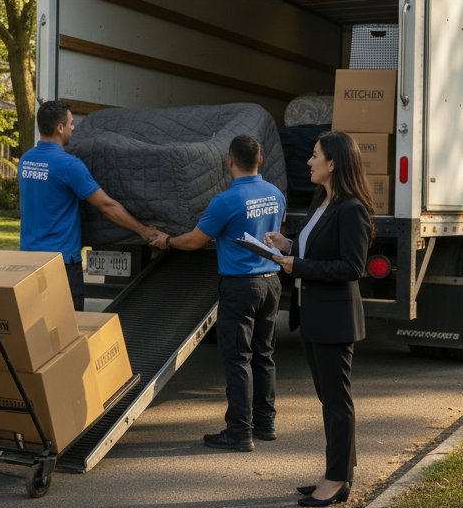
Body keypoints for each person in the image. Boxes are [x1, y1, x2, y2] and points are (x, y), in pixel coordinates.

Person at [153, 134, 286, 452]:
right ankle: (265, 425)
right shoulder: (276, 194)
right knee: (264, 355)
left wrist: (166, 241)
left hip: (241, 285)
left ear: (229, 162)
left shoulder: (225, 201)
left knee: (238, 358)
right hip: (271, 283)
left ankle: (239, 432)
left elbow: (195, 241)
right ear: (260, 161)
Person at [263, 131, 374, 508]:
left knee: (336, 402)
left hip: (334, 319)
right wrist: (288, 247)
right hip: (313, 316)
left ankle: (337, 478)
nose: (308, 162)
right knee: (330, 400)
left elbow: (351, 267)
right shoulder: (322, 202)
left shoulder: (352, 208)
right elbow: (317, 250)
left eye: (314, 156)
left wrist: (299, 267)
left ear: (333, 163)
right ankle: (338, 474)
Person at [20, 100, 161, 310]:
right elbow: (106, 206)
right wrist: (142, 230)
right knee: (69, 327)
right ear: (59, 128)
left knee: (38, 323)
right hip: (61, 262)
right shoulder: (69, 165)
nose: (73, 127)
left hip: (29, 259)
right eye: (70, 123)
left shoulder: (26, 160)